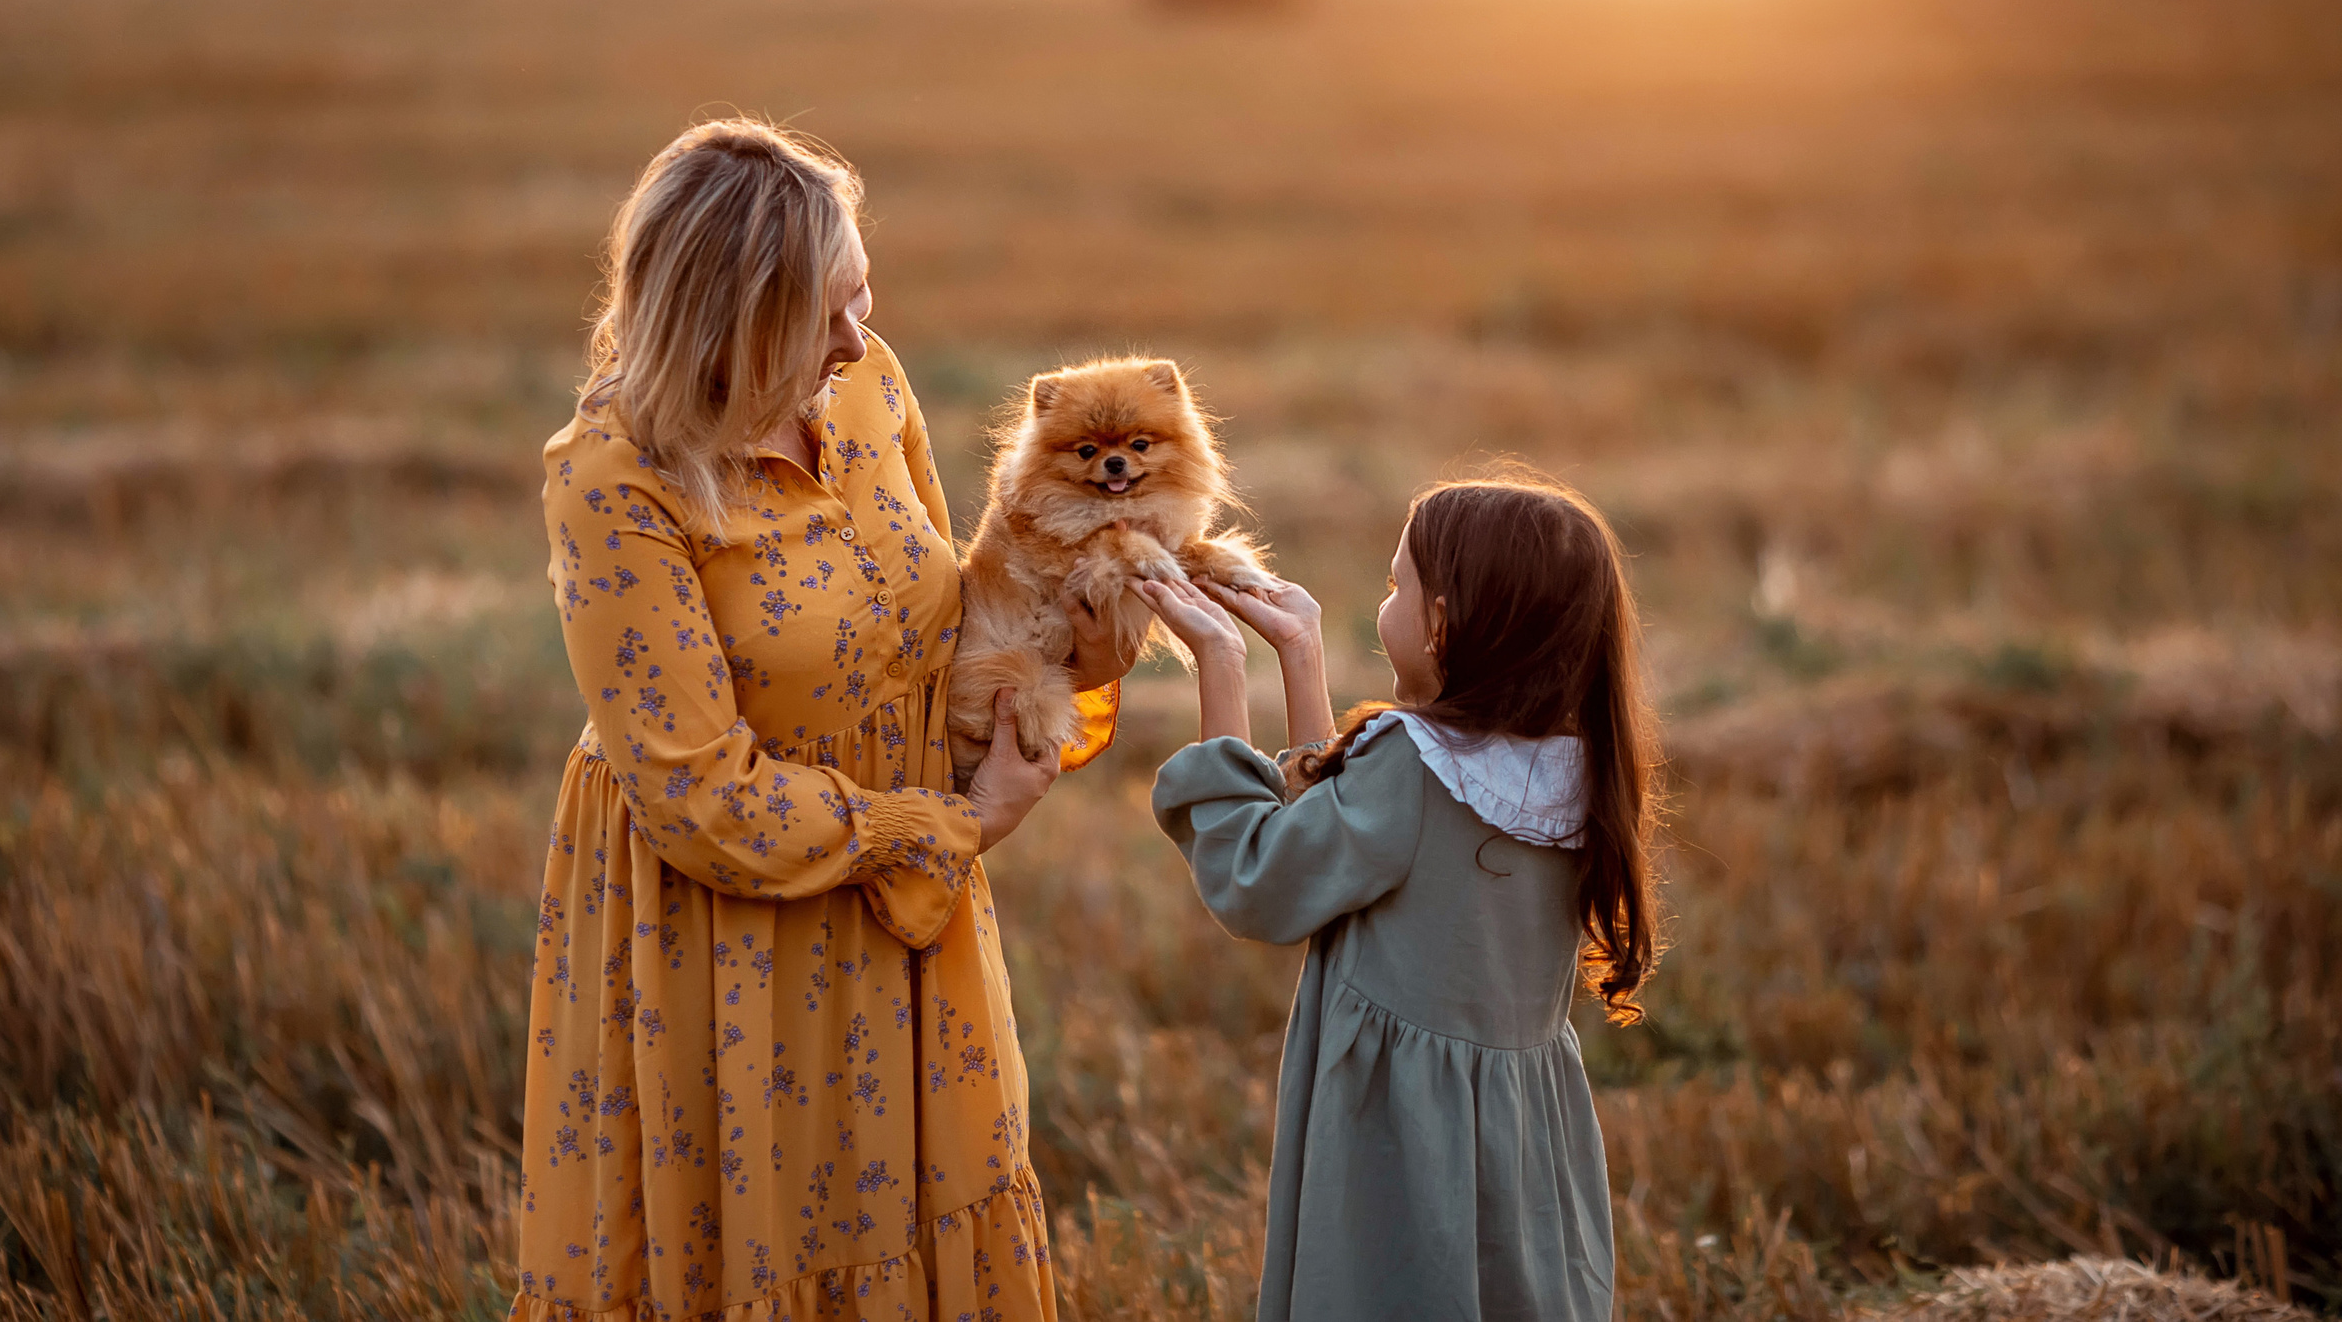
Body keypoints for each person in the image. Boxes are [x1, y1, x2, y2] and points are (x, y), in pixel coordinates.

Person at [512, 118, 1139, 1322]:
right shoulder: (612, 480)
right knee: (777, 1243)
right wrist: (952, 829)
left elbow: (955, 613)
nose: (857, 337)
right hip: (733, 933)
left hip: (914, 907)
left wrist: (1106, 617)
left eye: (861, 292)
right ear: (723, 323)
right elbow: (698, 796)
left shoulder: (863, 383)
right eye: (821, 314)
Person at [1135, 474, 1662, 1322]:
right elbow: (1348, 842)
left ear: (1442, 621)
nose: (1384, 604)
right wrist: (1300, 654)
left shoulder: (1414, 762)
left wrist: (1222, 666)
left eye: (1395, 584)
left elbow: (1262, 880)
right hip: (1524, 1139)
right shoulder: (1576, 765)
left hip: (1402, 1142)